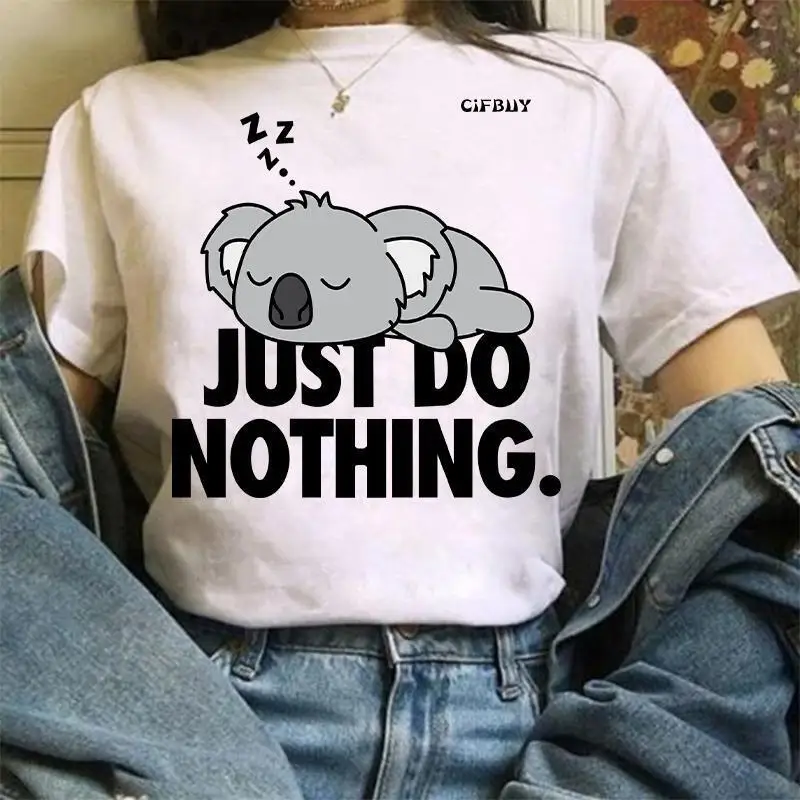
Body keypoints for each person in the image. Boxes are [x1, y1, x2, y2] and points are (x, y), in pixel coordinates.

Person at [20, 0, 800, 797]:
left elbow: (765, 473)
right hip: (199, 713)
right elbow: (22, 479)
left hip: (521, 713)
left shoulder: (596, 98)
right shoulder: (125, 118)